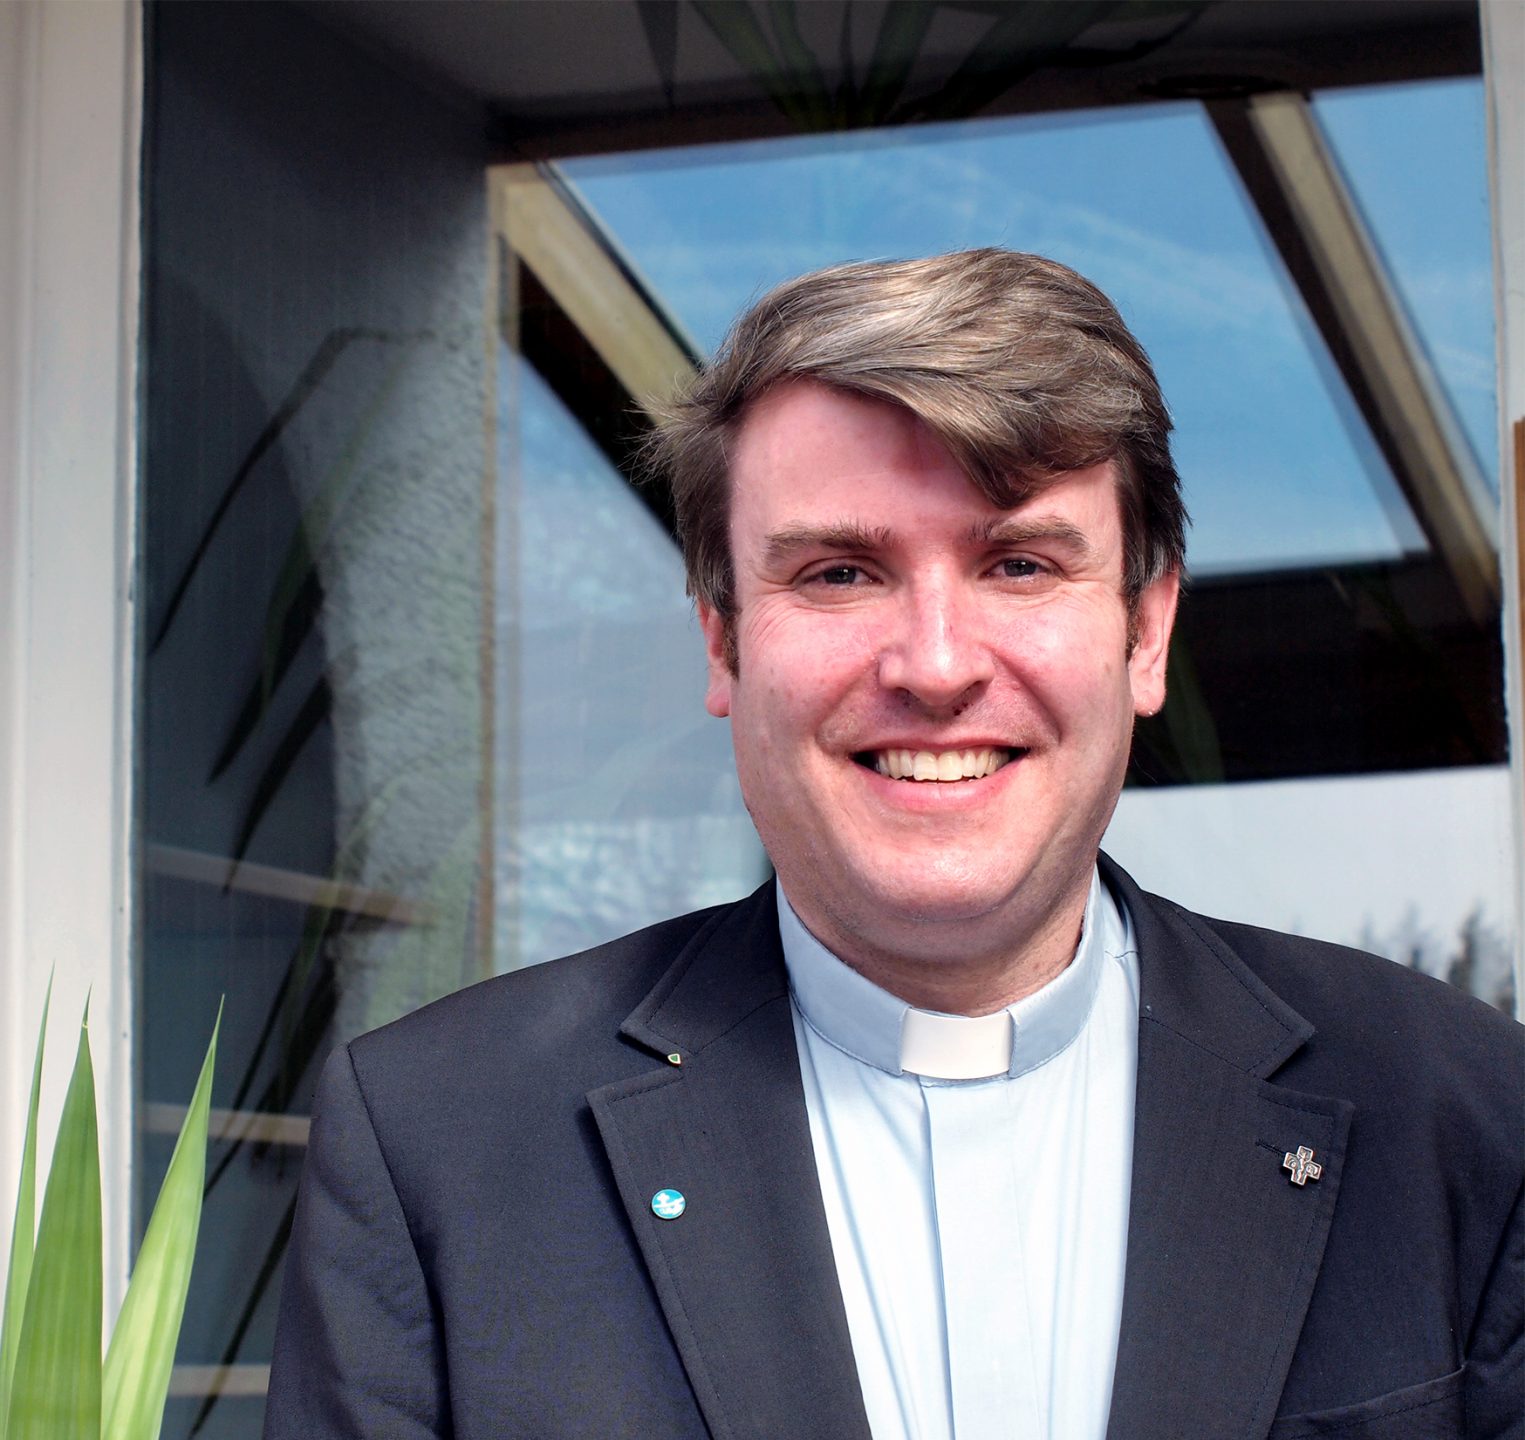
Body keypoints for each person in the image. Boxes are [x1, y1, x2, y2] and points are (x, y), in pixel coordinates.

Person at [265, 250, 1523, 1439]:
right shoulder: (439, 1147)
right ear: (721, 639)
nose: (933, 666)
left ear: (1144, 633)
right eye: (838, 574)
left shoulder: (1462, 1115)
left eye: (1017, 564)